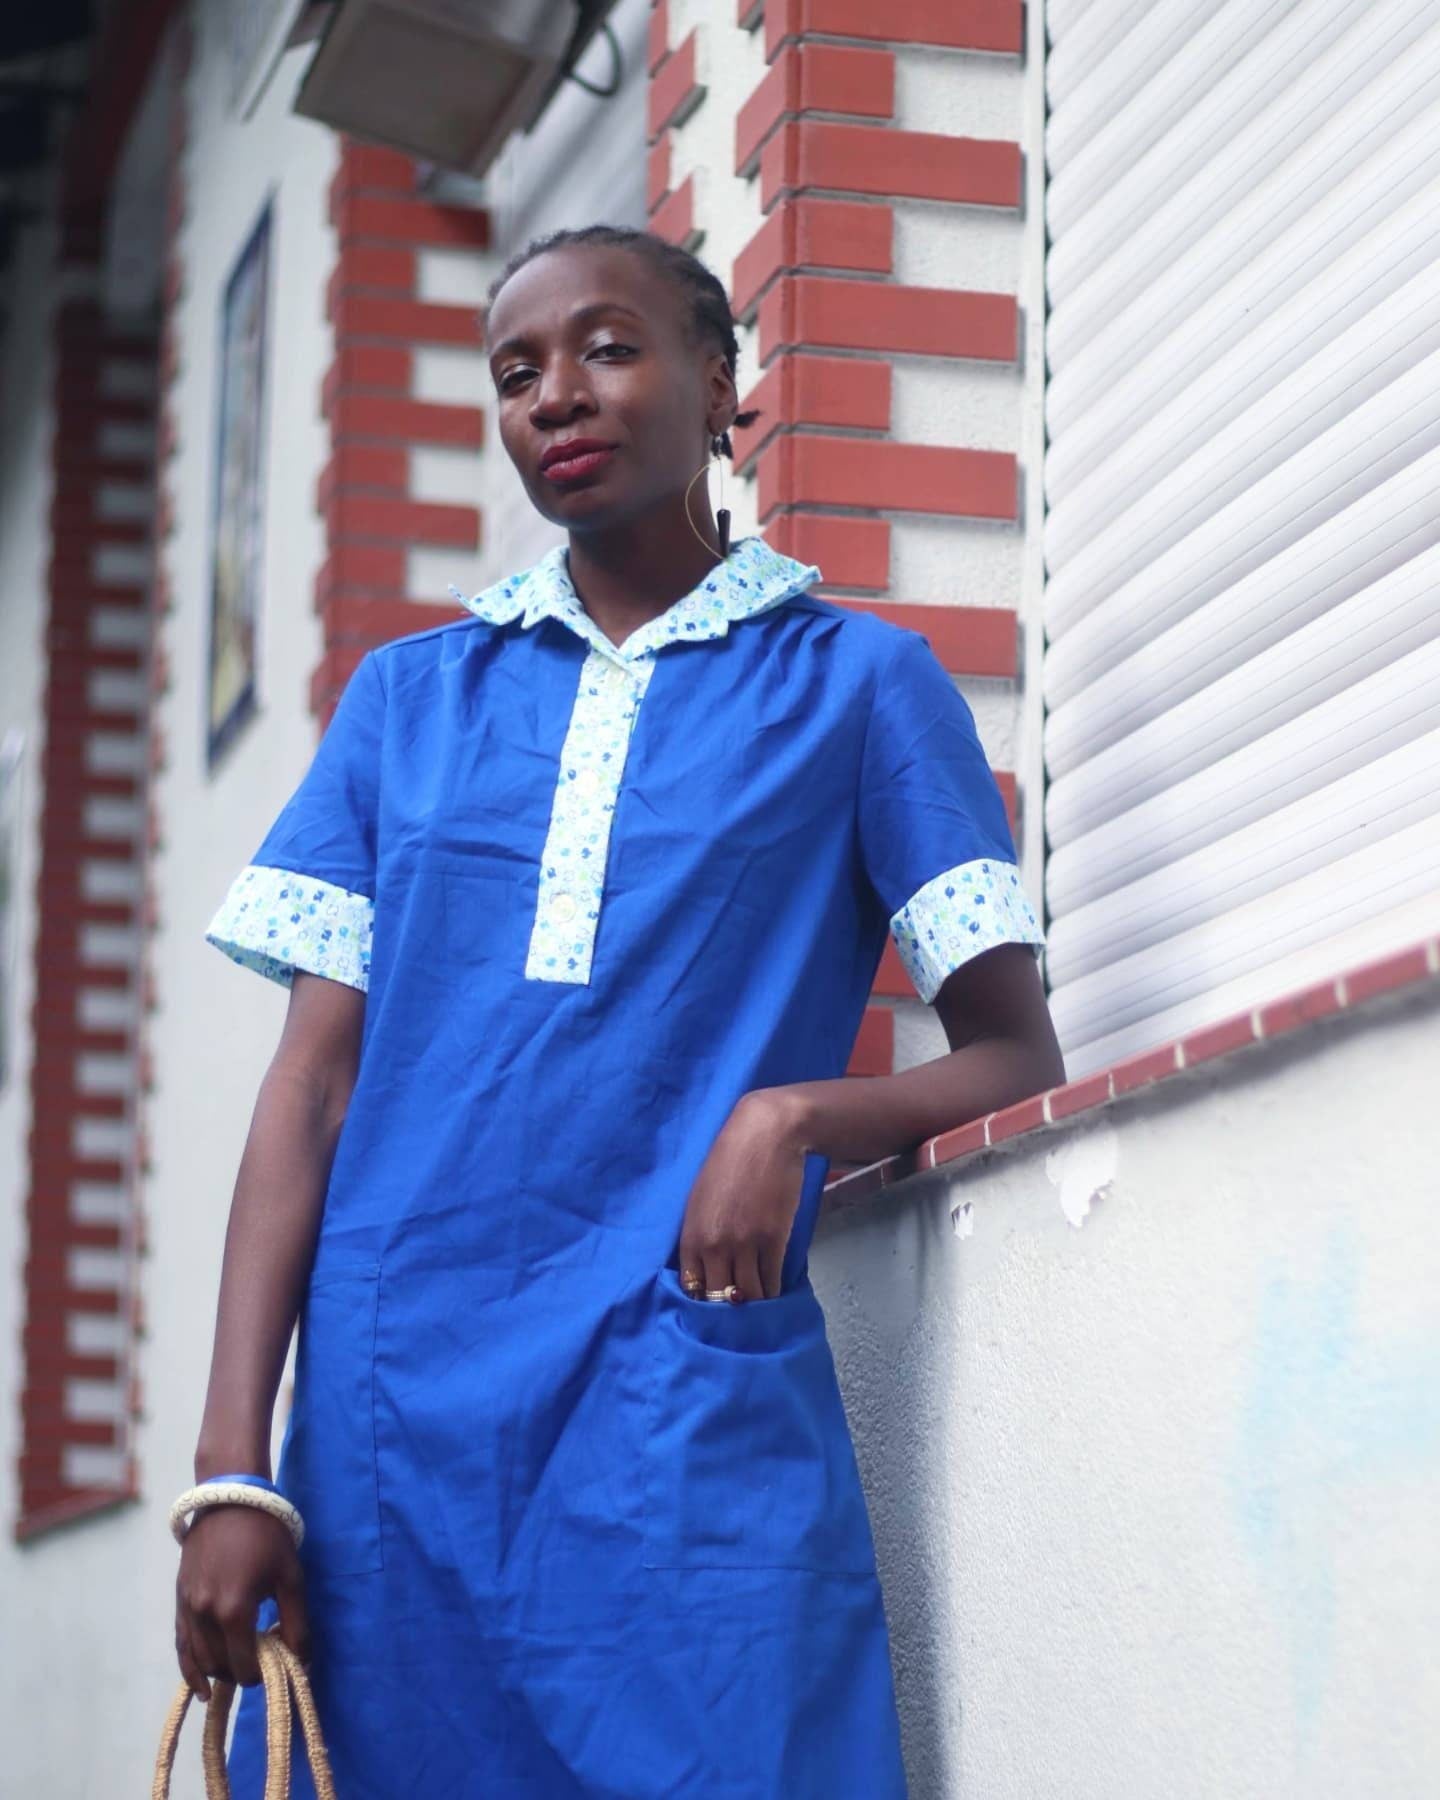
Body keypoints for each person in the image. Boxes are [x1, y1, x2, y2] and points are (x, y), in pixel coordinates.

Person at [176, 224, 1066, 1798]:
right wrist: (234, 1469)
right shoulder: (408, 700)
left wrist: (796, 1115)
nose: (556, 398)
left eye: (606, 347)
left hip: (679, 1404)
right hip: (397, 1427)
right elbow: (307, 1098)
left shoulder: (862, 686)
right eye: (515, 374)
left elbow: (1014, 1048)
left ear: (723, 385)